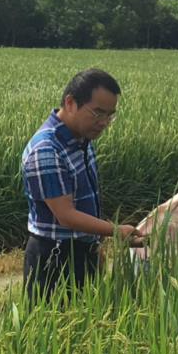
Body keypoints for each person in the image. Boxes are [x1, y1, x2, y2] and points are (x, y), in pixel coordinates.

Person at [21, 68, 143, 304]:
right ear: (70, 102)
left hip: (81, 250)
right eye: (97, 113)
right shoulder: (47, 149)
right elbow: (66, 215)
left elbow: (84, 202)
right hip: (54, 258)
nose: (104, 123)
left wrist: (93, 245)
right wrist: (116, 230)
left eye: (110, 115)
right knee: (52, 333)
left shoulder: (81, 140)